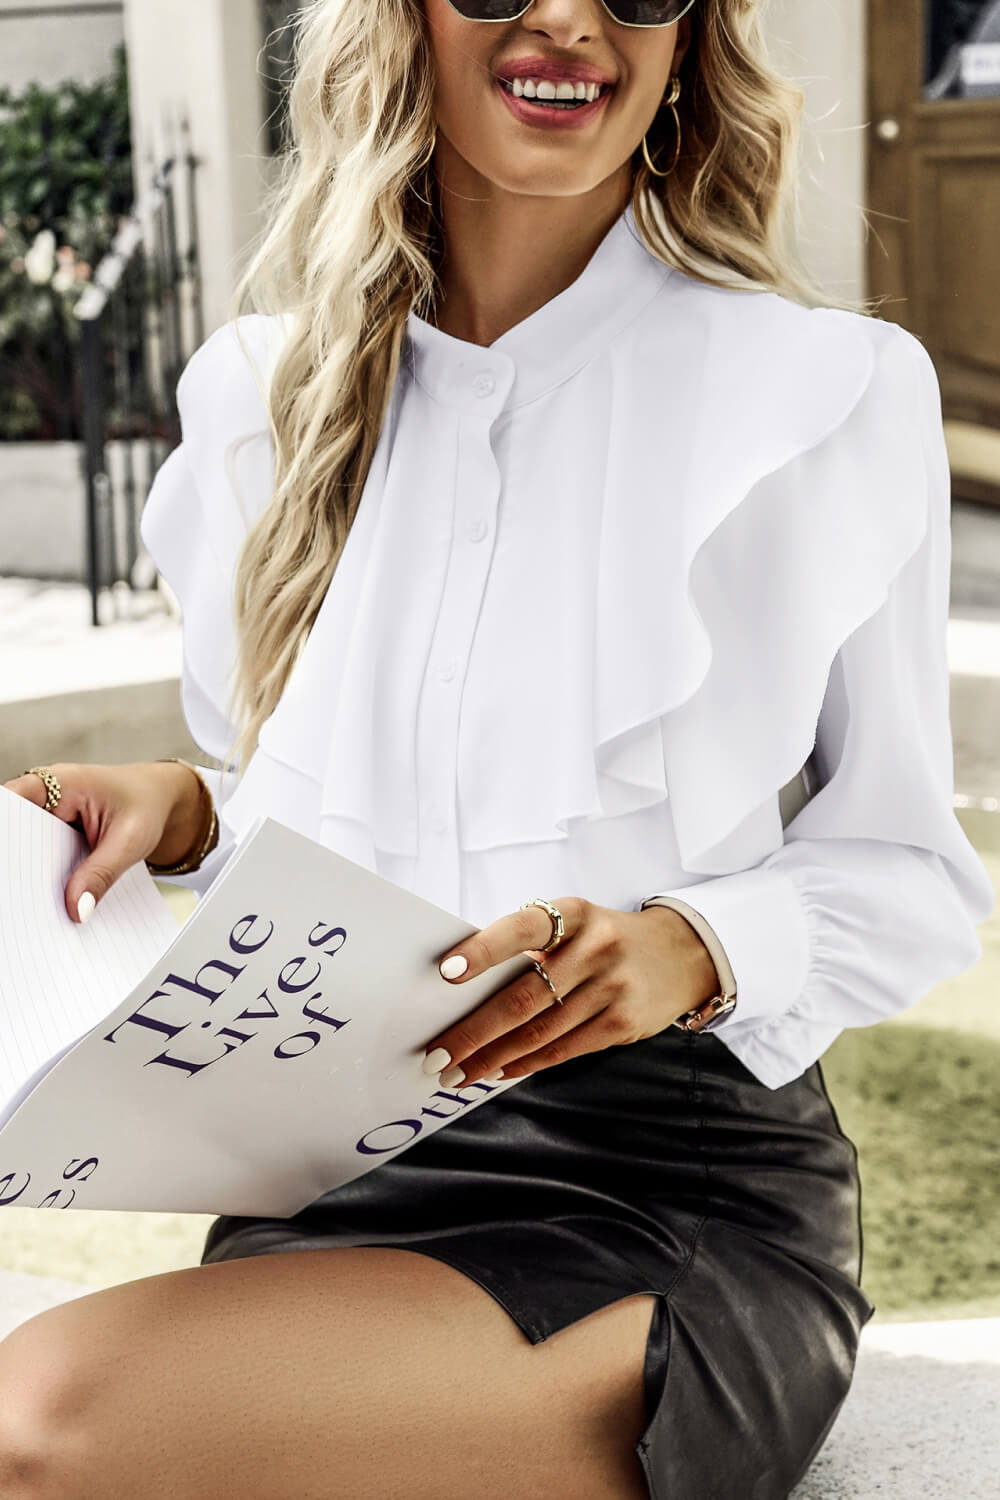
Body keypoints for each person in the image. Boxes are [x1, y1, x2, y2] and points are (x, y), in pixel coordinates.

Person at [1, 0, 994, 1495]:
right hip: (326, 1164)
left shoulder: (826, 394)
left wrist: (693, 941)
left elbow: (917, 870)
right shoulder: (258, 403)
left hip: (662, 1200)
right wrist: (196, 812)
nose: (571, 18)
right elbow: (371, 799)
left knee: (45, 1420)